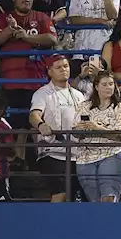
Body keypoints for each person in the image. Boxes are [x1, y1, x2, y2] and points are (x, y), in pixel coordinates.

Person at [0, 0, 59, 109]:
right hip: (10, 81)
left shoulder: (41, 17)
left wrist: (26, 37)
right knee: (15, 123)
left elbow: (52, 39)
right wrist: (10, 29)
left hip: (37, 80)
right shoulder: (4, 18)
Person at [29, 56, 86, 202]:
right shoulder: (42, 93)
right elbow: (34, 115)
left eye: (66, 66)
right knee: (60, 193)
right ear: (50, 72)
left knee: (73, 196)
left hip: (76, 152)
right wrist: (41, 125)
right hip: (52, 151)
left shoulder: (79, 95)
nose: (63, 70)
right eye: (59, 67)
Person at [74, 70, 121, 203]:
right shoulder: (84, 107)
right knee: (95, 202)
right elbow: (75, 133)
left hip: (112, 154)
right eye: (104, 84)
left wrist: (97, 128)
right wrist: (79, 129)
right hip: (85, 157)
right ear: (96, 87)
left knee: (108, 199)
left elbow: (120, 134)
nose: (109, 87)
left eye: (111, 84)